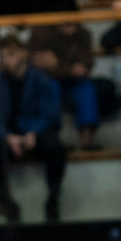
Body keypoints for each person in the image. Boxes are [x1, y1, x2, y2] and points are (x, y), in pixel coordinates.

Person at [0, 35, 65, 223]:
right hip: (10, 137)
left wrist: (34, 132)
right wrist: (8, 136)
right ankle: (8, 205)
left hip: (36, 132)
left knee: (56, 147)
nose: (7, 60)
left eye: (11, 54)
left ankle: (53, 200)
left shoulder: (42, 80)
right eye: (3, 56)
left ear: (23, 53)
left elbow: (50, 114)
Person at [28, 21, 100, 150]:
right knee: (50, 87)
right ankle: (54, 138)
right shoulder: (42, 32)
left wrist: (56, 65)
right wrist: (69, 68)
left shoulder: (83, 34)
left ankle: (86, 139)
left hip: (73, 82)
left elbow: (82, 68)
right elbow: (36, 63)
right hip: (49, 81)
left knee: (86, 88)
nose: (69, 24)